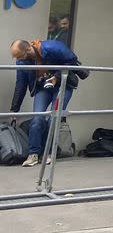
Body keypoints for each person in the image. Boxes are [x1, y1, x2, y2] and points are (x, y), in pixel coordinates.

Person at [10, 38, 81, 167]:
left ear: (28, 49)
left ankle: (47, 153)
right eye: (17, 58)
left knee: (53, 118)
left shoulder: (52, 47)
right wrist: (14, 110)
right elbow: (20, 85)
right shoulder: (22, 62)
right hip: (43, 86)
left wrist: (57, 77)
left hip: (62, 84)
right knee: (37, 118)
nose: (19, 60)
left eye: (20, 57)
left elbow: (72, 61)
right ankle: (33, 154)